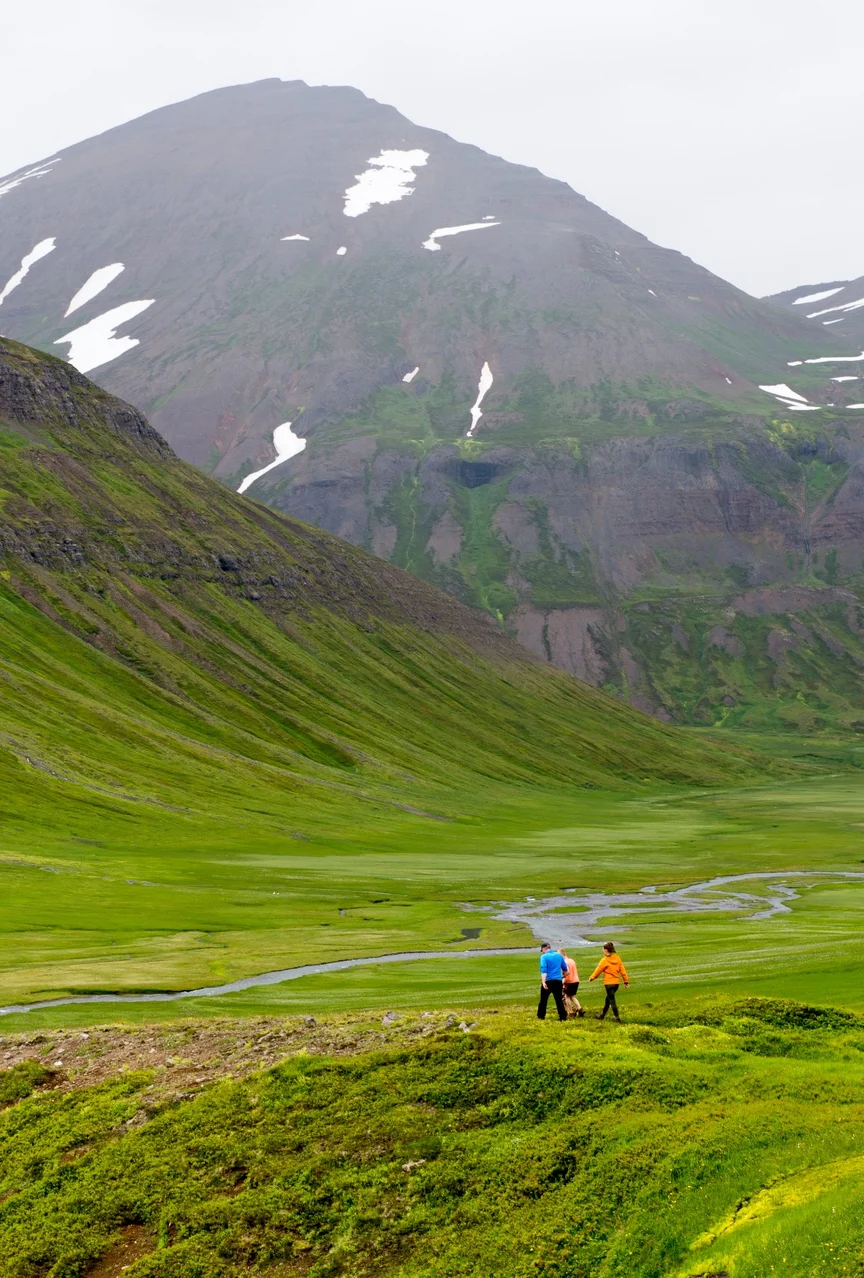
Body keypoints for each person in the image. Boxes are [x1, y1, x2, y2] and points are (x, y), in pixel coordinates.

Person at [589, 941, 629, 1021]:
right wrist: (626, 981)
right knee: (608, 999)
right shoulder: (617, 958)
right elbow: (623, 970)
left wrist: (592, 978)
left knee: (611, 1000)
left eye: (603, 949)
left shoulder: (604, 960)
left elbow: (598, 970)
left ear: (606, 950)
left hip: (609, 983)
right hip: (616, 983)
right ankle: (602, 1015)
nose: (603, 951)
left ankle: (617, 1017)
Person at [537, 942, 568, 1021]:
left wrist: (543, 982)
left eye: (542, 950)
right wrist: (562, 976)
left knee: (544, 999)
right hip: (558, 980)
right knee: (558, 999)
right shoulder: (558, 955)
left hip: (548, 980)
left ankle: (541, 1016)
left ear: (544, 949)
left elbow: (544, 970)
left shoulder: (544, 957)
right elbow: (565, 968)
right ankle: (562, 1016)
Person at [560, 948, 584, 1017]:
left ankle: (570, 1012)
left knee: (566, 996)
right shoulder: (572, 960)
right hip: (576, 980)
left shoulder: (564, 962)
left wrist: (563, 980)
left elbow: (567, 972)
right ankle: (579, 1008)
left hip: (569, 981)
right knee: (571, 996)